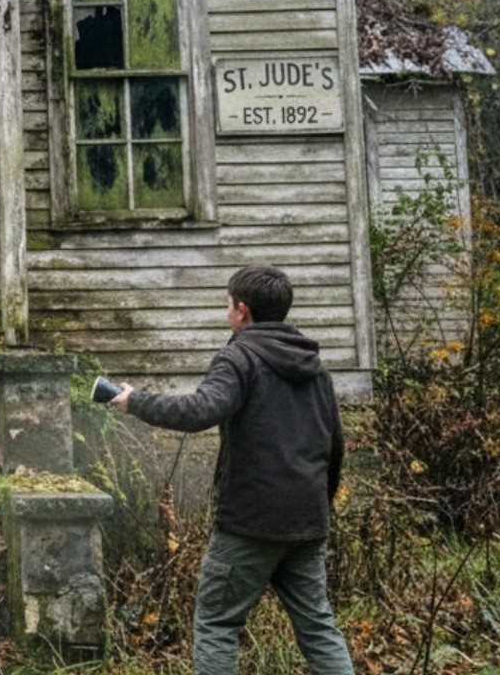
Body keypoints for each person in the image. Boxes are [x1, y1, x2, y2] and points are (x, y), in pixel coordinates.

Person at [110, 264, 353, 675]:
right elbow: (335, 449)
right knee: (317, 627)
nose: (227, 314)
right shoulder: (317, 370)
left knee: (218, 624)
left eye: (227, 306)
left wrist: (136, 401)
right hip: (308, 522)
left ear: (242, 310)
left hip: (249, 524)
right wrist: (318, 508)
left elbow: (200, 410)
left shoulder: (239, 357)